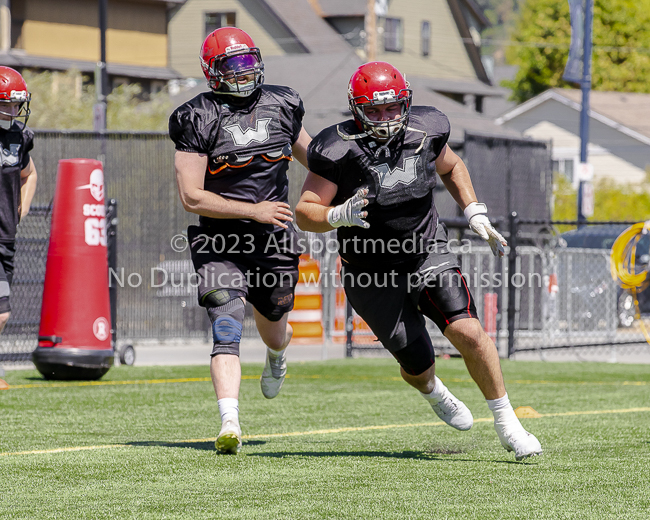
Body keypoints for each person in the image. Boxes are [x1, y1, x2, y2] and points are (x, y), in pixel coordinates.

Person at [296, 62, 542, 461]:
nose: (384, 118)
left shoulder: (426, 129)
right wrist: (335, 215)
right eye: (373, 111)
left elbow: (452, 165)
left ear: (405, 103)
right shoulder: (337, 147)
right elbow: (305, 211)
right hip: (369, 270)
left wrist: (474, 210)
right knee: (417, 363)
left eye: (392, 108)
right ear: (355, 109)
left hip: (425, 250)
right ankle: (433, 390)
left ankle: (508, 424)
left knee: (469, 332)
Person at [169, 27, 311, 454]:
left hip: (273, 243)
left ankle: (278, 358)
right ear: (213, 72)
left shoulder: (283, 103)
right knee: (226, 324)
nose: (244, 72)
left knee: (274, 328)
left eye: (248, 61)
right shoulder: (196, 116)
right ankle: (229, 421)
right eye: (233, 65)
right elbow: (192, 196)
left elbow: (320, 162)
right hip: (221, 243)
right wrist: (254, 209)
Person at [0, 67, 37, 347]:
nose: (13, 110)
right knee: (1, 313)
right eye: (6, 104)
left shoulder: (20, 137)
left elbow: (29, 174)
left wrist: (20, 210)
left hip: (6, 238)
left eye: (16, 104)